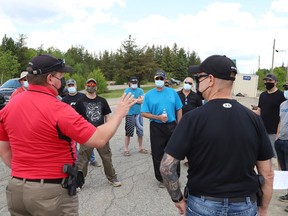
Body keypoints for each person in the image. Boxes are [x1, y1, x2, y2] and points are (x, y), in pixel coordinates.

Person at [0, 54, 135, 216]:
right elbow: (99, 139)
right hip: (50, 194)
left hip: (16, 190)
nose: (63, 82)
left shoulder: (10, 105)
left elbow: (5, 151)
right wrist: (120, 113)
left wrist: (25, 174)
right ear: (50, 79)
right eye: (61, 76)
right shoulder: (58, 109)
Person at [160, 55, 274, 216]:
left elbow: (166, 167)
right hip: (244, 204)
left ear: (211, 80)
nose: (197, 81)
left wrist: (178, 200)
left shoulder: (192, 119)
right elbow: (267, 173)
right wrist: (263, 208)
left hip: (202, 203)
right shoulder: (253, 119)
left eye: (199, 77)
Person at [75, 78, 121, 190]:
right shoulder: (80, 102)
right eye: (89, 84)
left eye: (93, 84)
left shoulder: (102, 101)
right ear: (86, 86)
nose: (91, 86)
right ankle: (79, 182)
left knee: (106, 157)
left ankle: (112, 178)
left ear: (96, 86)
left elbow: (107, 116)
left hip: (101, 133)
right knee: (83, 159)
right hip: (87, 134)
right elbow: (77, 119)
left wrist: (109, 130)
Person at [141, 70, 182, 188]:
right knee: (157, 153)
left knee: (174, 151)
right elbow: (144, 113)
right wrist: (157, 117)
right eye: (157, 78)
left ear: (165, 80)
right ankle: (161, 178)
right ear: (154, 79)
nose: (159, 80)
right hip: (156, 126)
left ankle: (175, 177)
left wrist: (179, 125)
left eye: (161, 78)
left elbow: (179, 108)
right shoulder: (149, 95)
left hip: (171, 125)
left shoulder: (172, 93)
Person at [62, 78, 100, 167]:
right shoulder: (64, 100)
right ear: (67, 87)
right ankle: (78, 162)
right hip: (71, 125)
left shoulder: (83, 96)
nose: (71, 87)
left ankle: (92, 160)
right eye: (69, 86)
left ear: (76, 86)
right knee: (73, 146)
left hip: (83, 124)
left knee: (87, 143)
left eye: (72, 85)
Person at [253, 74, 285, 159]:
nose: (268, 82)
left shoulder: (281, 96)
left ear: (276, 82)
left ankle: (277, 172)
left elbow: (284, 116)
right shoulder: (263, 95)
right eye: (266, 81)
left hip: (274, 133)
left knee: (275, 157)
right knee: (263, 156)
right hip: (262, 130)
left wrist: (278, 134)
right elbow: (259, 111)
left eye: (270, 81)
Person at [177, 76, 202, 166]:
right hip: (178, 121)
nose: (187, 84)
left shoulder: (196, 96)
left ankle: (188, 159)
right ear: (183, 83)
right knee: (179, 139)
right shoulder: (176, 94)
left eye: (190, 83)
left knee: (191, 141)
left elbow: (201, 109)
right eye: (186, 82)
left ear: (192, 85)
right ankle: (177, 157)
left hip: (192, 122)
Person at [123, 76, 147, 156]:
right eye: (132, 82)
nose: (134, 84)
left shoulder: (140, 90)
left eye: (135, 82)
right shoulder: (127, 90)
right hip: (129, 114)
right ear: (129, 83)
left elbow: (142, 101)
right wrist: (137, 100)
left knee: (140, 132)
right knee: (128, 132)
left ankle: (140, 147)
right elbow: (126, 101)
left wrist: (133, 100)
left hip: (138, 114)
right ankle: (126, 149)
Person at [275, 83, 288, 211]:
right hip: (281, 141)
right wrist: (277, 136)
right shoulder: (283, 105)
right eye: (286, 88)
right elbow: (280, 121)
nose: (286, 90)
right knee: (285, 172)